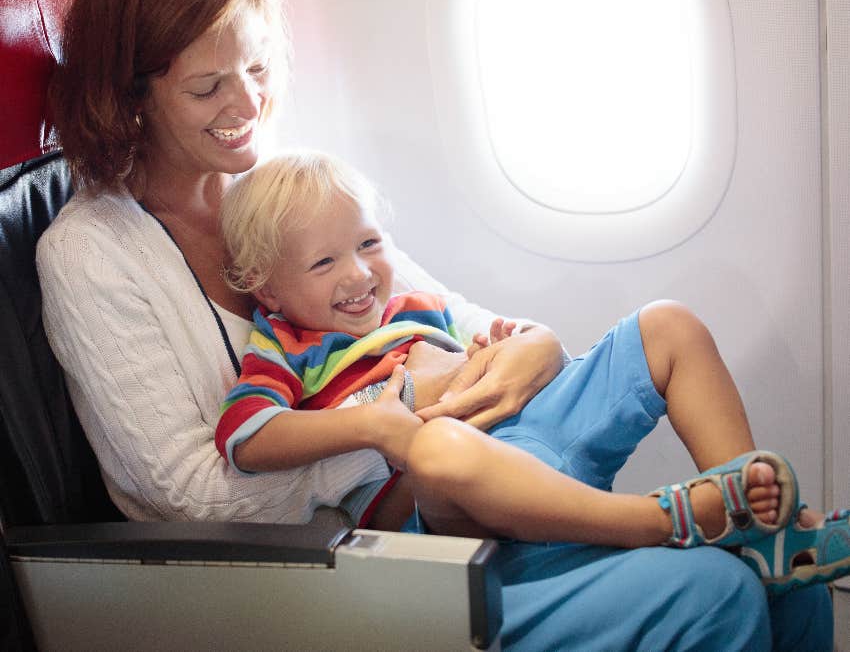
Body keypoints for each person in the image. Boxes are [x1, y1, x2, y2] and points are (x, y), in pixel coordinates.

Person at [35, 0, 833, 651]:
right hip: (352, 558)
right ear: (129, 95)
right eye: (207, 89)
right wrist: (399, 422)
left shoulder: (276, 184)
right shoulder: (93, 254)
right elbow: (188, 499)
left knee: (780, 579)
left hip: (482, 458)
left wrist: (533, 345)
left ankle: (746, 512)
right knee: (713, 592)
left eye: (258, 67)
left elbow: (444, 317)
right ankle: (670, 527)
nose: (247, 105)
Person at [215, 149, 850, 591]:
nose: (358, 274)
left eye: (369, 244)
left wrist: (502, 341)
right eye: (323, 264)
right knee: (437, 447)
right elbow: (246, 437)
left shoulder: (415, 308)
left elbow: (508, 351)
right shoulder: (286, 345)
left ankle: (755, 519)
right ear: (266, 290)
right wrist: (376, 427)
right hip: (453, 490)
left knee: (667, 322)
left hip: (533, 425)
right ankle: (663, 522)